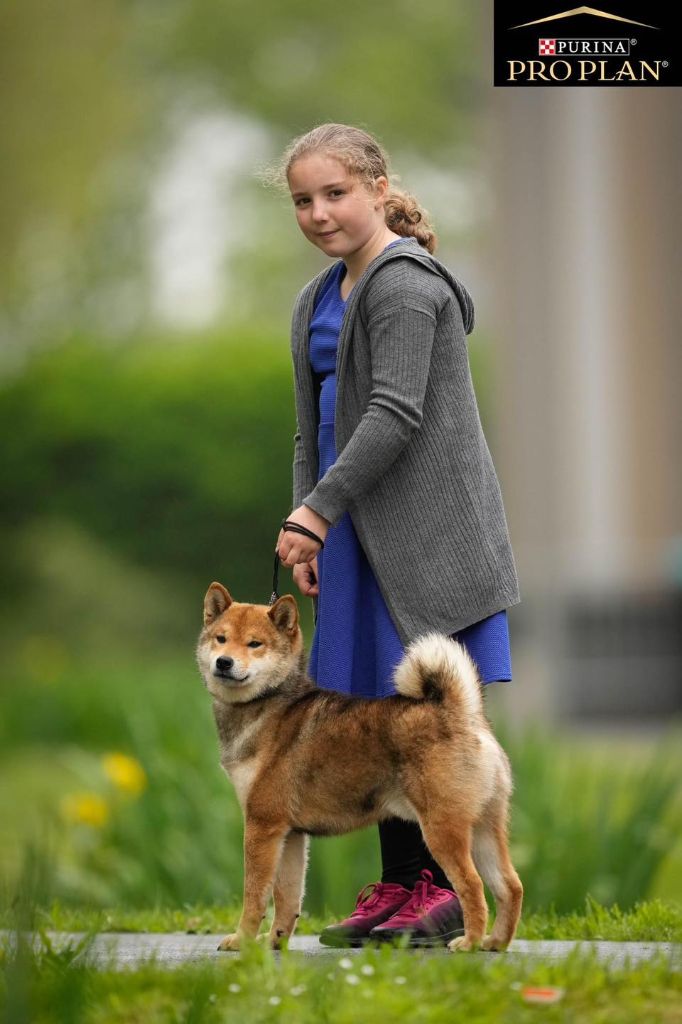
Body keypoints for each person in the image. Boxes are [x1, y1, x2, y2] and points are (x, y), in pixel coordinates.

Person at [267, 123, 521, 946]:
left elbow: (393, 417)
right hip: (355, 529)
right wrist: (309, 522)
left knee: (424, 722)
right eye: (304, 199)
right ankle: (401, 886)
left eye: (335, 193)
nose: (318, 212)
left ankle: (442, 893)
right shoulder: (318, 296)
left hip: (423, 539)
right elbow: (315, 427)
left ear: (379, 188)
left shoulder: (408, 285)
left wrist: (318, 511)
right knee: (377, 710)